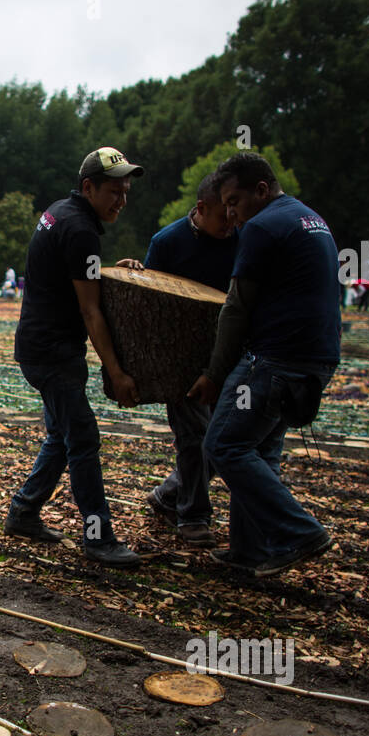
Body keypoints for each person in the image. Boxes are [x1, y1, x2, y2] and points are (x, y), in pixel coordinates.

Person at [187, 151, 340, 578]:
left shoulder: (262, 227)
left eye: (235, 201)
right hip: (317, 358)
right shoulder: (311, 220)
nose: (231, 213)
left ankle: (298, 532)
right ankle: (249, 551)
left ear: (261, 189)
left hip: (275, 359)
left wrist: (214, 374)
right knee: (260, 450)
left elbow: (236, 309)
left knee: (223, 445)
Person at [6, 146, 146, 569]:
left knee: (62, 436)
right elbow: (90, 310)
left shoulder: (60, 211)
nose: (122, 200)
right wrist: (116, 370)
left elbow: (74, 274)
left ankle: (24, 512)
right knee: (82, 436)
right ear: (89, 187)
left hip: (37, 346)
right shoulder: (80, 228)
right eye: (114, 192)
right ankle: (98, 538)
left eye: (126, 192)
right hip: (53, 353)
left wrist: (107, 272)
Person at [142, 172, 239, 548]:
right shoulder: (167, 242)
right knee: (194, 438)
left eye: (234, 214)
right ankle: (193, 515)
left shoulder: (242, 239)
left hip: (227, 356)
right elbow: (148, 299)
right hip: (181, 360)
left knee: (229, 437)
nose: (230, 223)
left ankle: (169, 495)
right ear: (200, 209)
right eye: (222, 216)